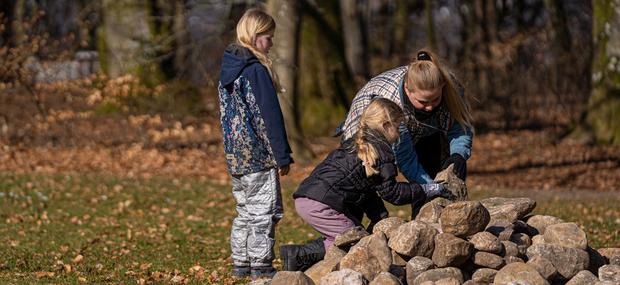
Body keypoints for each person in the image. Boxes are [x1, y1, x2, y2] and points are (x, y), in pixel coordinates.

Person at [280, 98, 455, 272]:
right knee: (356, 242)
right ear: (387, 125)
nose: (401, 134)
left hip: (309, 197)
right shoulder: (381, 152)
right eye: (399, 127)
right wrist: (430, 188)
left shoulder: (357, 143)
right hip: (322, 203)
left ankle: (296, 257)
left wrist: (379, 216)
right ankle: (298, 255)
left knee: (346, 236)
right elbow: (393, 193)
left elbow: (367, 189)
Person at [339, 49, 474, 217]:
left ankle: (430, 227)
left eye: (435, 99)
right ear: (407, 90)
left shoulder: (451, 87)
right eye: (423, 101)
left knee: (437, 167)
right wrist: (433, 188)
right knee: (360, 188)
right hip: (367, 133)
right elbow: (406, 158)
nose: (431, 106)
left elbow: (460, 124)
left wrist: (459, 154)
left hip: (424, 130)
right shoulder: (391, 105)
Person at [217, 8, 293, 279]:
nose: (271, 43)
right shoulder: (255, 71)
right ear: (254, 35)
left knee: (245, 212)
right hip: (259, 155)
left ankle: (241, 262)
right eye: (268, 37)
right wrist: (282, 155)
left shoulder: (229, 70)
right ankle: (260, 266)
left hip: (236, 155)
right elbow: (270, 117)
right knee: (264, 212)